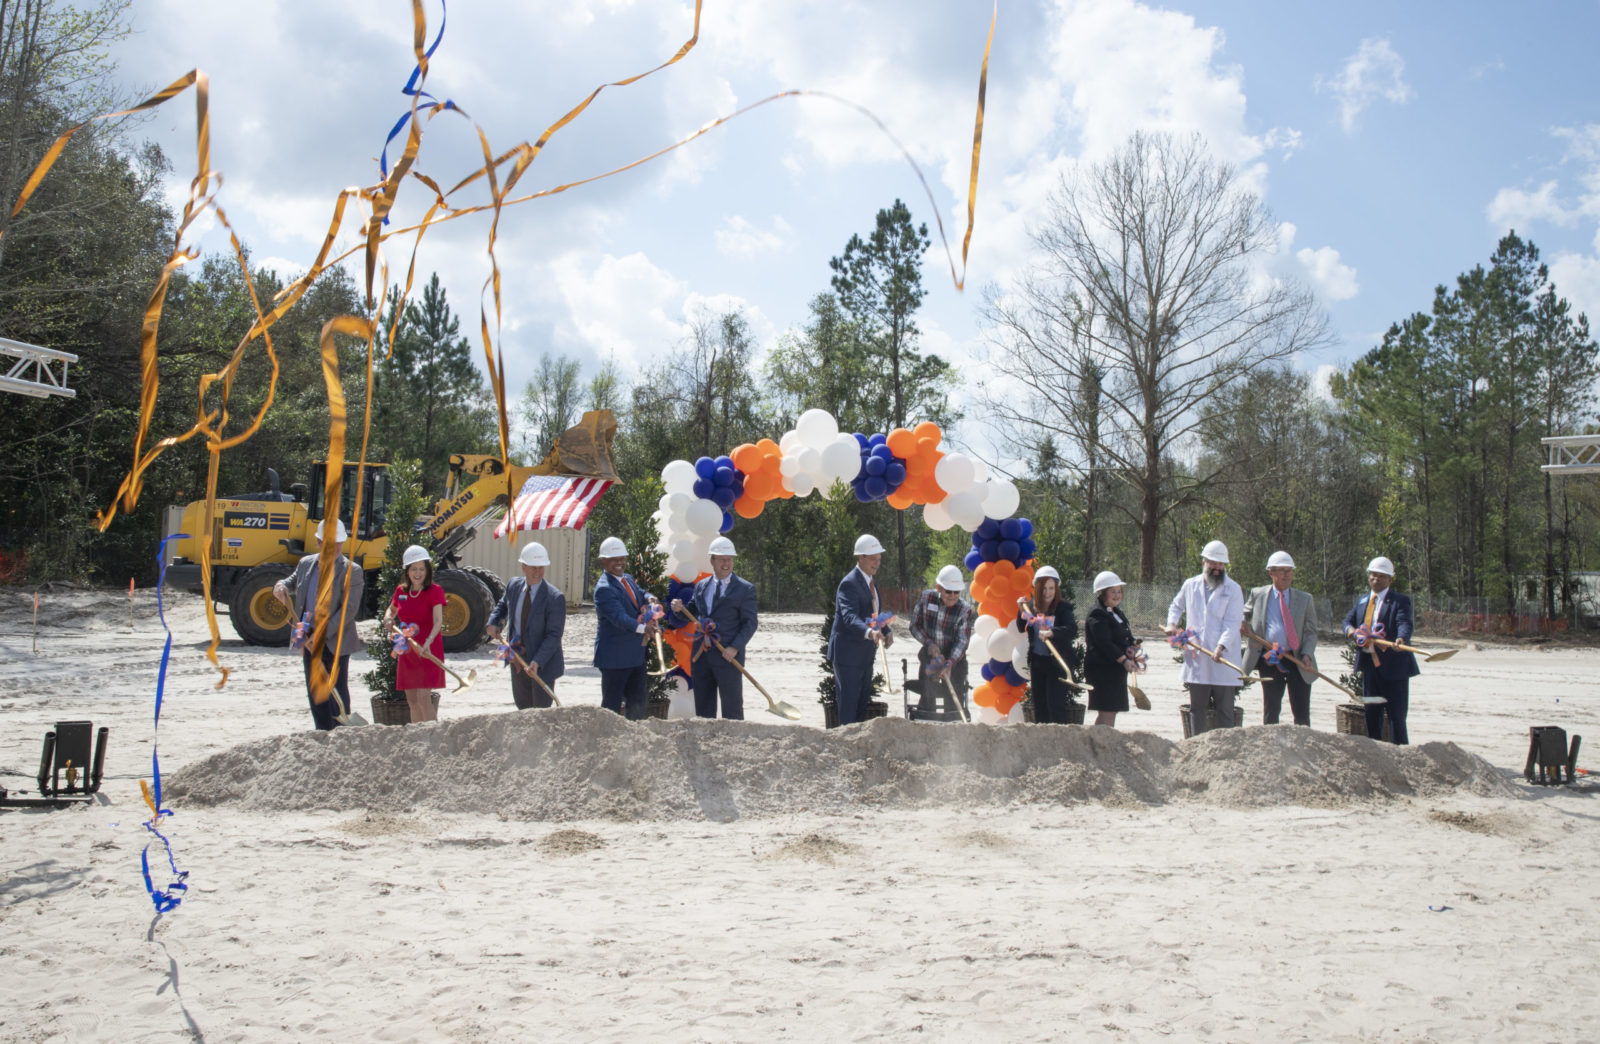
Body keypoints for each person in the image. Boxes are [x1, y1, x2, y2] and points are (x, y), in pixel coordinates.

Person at [272, 518, 364, 731]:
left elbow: (348, 610)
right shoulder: (306, 564)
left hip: (334, 638)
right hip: (307, 636)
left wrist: (322, 633)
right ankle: (322, 733)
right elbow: (291, 582)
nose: (335, 548)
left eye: (338, 543)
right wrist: (280, 586)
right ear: (319, 542)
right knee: (316, 691)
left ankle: (340, 732)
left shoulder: (352, 571)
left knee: (336, 689)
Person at [669, 535, 757, 719]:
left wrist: (734, 647)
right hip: (701, 656)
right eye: (721, 559)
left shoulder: (745, 589)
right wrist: (678, 609)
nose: (726, 563)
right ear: (712, 560)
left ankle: (732, 737)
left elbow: (750, 623)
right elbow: (691, 611)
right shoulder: (701, 586)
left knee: (732, 709)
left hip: (728, 657)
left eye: (729, 559)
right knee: (703, 710)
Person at [1166, 539, 1245, 735]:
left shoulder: (1233, 589)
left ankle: (1225, 746)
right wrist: (1172, 624)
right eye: (1213, 563)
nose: (1217, 568)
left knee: (1225, 710)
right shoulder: (1190, 585)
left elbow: (1232, 623)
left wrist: (1221, 647)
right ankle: (1197, 745)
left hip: (1222, 658)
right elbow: (1176, 606)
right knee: (1197, 709)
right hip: (1198, 657)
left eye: (1221, 564)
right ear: (1204, 563)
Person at [1342, 556, 1419, 745]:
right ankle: (1375, 751)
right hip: (1369, 666)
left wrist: (1401, 638)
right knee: (1372, 713)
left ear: (1390, 579)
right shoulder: (1362, 600)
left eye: (1381, 576)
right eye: (1373, 575)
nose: (1376, 579)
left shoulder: (1399, 601)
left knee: (1396, 717)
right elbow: (1347, 621)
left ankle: (1400, 752)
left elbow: (1404, 623)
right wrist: (1351, 631)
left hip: (1394, 668)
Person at [1241, 550, 1319, 727]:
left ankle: (1302, 741)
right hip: (1270, 658)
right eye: (1282, 571)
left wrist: (1307, 653)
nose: (1286, 575)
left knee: (1301, 710)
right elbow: (1243, 612)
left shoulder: (1305, 599)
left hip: (1297, 659)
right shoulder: (1258, 594)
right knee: (1271, 708)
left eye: (1289, 570)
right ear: (1271, 573)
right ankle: (1270, 741)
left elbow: (1311, 632)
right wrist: (1241, 622)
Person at [486, 541, 566, 710]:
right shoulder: (514, 586)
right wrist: (493, 621)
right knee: (522, 708)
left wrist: (538, 660)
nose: (537, 572)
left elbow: (554, 635)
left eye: (541, 568)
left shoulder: (554, 598)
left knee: (540, 710)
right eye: (533, 568)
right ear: (523, 567)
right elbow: (502, 605)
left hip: (542, 662)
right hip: (517, 656)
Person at [827, 534, 893, 726]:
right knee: (848, 712)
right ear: (861, 557)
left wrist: (886, 630)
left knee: (860, 710)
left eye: (879, 559)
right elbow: (850, 618)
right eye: (873, 559)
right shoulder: (849, 584)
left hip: (865, 656)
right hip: (848, 656)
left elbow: (873, 614)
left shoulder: (871, 582)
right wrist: (870, 633)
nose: (877, 563)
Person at [592, 536, 657, 720]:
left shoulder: (626, 578)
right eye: (614, 559)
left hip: (636, 656)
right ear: (604, 562)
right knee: (611, 709)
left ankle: (635, 735)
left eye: (622, 558)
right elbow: (619, 618)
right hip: (615, 659)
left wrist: (649, 597)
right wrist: (643, 629)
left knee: (637, 705)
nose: (619, 563)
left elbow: (640, 593)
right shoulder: (604, 589)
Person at [381, 544, 446, 723]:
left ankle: (433, 734)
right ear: (407, 571)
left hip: (427, 649)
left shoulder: (435, 591)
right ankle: (417, 735)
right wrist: (388, 618)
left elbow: (438, 621)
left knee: (423, 698)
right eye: (414, 569)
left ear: (427, 570)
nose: (418, 573)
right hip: (408, 650)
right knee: (412, 700)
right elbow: (391, 609)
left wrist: (428, 643)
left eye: (421, 569)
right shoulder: (401, 591)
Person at [1012, 565, 1082, 724]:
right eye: (1043, 588)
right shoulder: (1031, 607)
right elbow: (1021, 627)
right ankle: (1042, 735)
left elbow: (1072, 629)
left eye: (1051, 588)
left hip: (1057, 663)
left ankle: (1059, 735)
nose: (1047, 592)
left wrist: (1052, 632)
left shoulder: (1063, 608)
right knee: (1040, 704)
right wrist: (1020, 610)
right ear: (1037, 588)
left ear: (1056, 589)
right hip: (1038, 662)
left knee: (1055, 704)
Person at [908, 564, 974, 715]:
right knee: (928, 688)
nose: (952, 595)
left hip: (954, 658)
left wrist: (949, 663)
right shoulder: (926, 598)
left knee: (954, 693)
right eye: (948, 591)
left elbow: (962, 641)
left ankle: (953, 717)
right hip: (930, 654)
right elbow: (914, 625)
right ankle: (926, 714)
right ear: (939, 588)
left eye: (956, 592)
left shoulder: (964, 609)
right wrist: (929, 643)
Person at [1083, 571, 1139, 727]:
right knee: (1107, 710)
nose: (1117, 595)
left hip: (1115, 670)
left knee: (1111, 710)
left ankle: (1100, 740)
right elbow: (1104, 643)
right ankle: (1099, 741)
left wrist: (1130, 648)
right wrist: (1124, 660)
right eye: (1112, 591)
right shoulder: (1097, 613)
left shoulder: (1116, 612)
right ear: (1102, 593)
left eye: (1119, 591)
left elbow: (1123, 636)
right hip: (1102, 671)